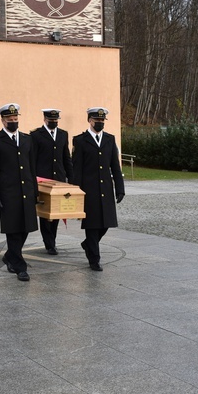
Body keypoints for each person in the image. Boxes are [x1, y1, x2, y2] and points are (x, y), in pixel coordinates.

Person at [0, 103, 38, 281]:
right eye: (10, 120)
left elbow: (32, 167)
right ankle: (20, 267)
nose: (13, 122)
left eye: (16, 119)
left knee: (25, 229)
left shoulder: (27, 139)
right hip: (8, 193)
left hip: (27, 191)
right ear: (3, 120)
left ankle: (9, 256)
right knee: (13, 230)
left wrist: (35, 192)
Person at [71, 107, 125, 271]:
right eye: (97, 121)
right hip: (89, 188)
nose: (100, 123)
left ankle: (88, 245)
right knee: (92, 225)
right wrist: (76, 191)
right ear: (90, 120)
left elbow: (115, 166)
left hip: (106, 188)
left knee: (106, 223)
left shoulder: (109, 139)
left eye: (102, 121)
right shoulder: (80, 140)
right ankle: (94, 259)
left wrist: (120, 188)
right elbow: (77, 168)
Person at [30, 108, 74, 255]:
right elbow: (33, 159)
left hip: (59, 179)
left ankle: (52, 240)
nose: (53, 122)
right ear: (45, 119)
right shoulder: (36, 135)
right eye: (51, 120)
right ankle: (48, 243)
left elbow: (66, 158)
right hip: (43, 179)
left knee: (56, 211)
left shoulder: (63, 134)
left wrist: (71, 178)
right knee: (45, 212)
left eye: (56, 120)